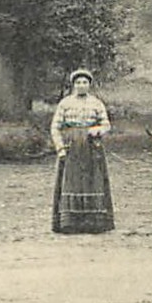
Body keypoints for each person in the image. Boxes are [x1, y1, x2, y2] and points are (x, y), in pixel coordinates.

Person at [50, 68, 114, 234]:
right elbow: (55, 127)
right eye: (78, 82)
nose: (81, 85)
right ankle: (70, 223)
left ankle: (94, 222)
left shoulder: (96, 103)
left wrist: (97, 130)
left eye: (85, 82)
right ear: (73, 85)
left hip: (92, 148)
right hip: (71, 148)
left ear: (89, 85)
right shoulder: (65, 103)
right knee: (71, 181)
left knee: (93, 180)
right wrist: (60, 148)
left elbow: (106, 125)